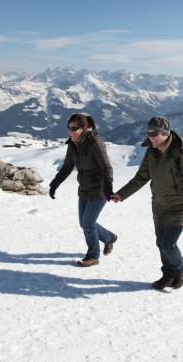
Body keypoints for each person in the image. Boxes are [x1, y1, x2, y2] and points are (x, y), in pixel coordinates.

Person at [111, 116, 183, 289]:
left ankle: (180, 269)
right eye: (148, 133)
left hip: (179, 207)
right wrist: (121, 195)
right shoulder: (151, 151)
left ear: (166, 133)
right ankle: (168, 275)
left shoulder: (181, 153)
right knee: (160, 243)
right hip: (159, 206)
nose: (150, 137)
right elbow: (141, 177)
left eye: (154, 133)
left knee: (168, 244)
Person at [49, 113, 117, 267]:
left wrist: (108, 187)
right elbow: (67, 166)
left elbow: (106, 167)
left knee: (87, 224)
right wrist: (54, 184)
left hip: (99, 189)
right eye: (69, 127)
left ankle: (93, 256)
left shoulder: (95, 143)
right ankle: (109, 238)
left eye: (74, 128)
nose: (71, 131)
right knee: (85, 223)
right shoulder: (73, 144)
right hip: (84, 188)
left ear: (84, 128)